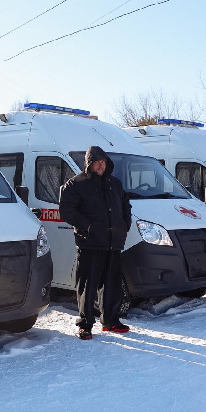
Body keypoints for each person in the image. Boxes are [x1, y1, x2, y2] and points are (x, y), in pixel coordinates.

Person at [59, 146, 132, 340]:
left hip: (113, 242)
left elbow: (125, 204)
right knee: (87, 286)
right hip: (90, 243)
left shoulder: (115, 184)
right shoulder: (75, 184)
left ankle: (110, 321)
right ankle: (85, 325)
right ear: (88, 164)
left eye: (103, 162)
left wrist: (125, 224)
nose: (100, 165)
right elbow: (67, 211)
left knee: (112, 285)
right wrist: (88, 226)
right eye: (96, 162)